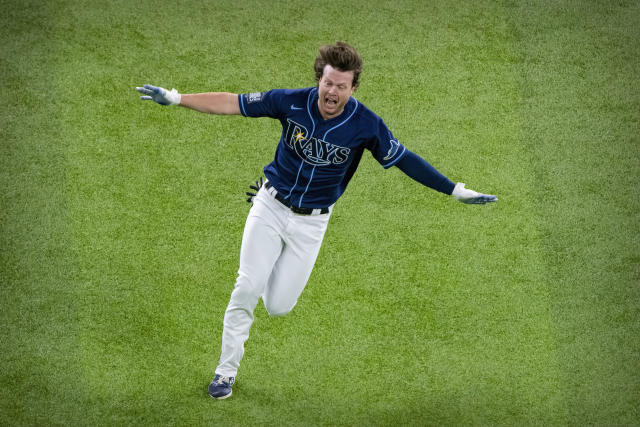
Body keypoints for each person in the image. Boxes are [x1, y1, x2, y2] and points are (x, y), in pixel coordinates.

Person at [136, 41, 497, 400]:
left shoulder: (366, 125)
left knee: (278, 306)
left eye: (341, 85)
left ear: (353, 88)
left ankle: (263, 265)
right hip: (270, 206)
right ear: (319, 80)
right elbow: (235, 102)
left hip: (311, 224)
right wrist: (177, 97)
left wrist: (455, 190)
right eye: (328, 82)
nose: (332, 91)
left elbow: (404, 159)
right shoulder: (291, 101)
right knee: (246, 287)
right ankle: (225, 372)